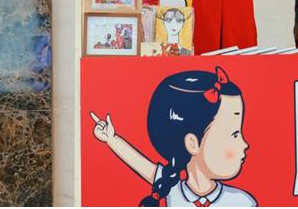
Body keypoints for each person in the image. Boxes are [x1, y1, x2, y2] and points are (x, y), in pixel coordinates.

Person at [90, 67, 256, 207]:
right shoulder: (171, 188)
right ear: (193, 143)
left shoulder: (243, 202)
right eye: (234, 134)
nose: (245, 144)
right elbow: (139, 163)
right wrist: (111, 138)